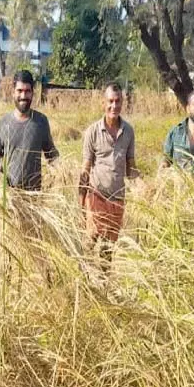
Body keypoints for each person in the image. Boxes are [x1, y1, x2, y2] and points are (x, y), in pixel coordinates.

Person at [0, 70, 59, 279]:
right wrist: (0, 179)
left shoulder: (41, 123)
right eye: (20, 90)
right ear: (13, 91)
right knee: (10, 249)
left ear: (33, 93)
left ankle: (42, 284)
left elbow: (52, 155)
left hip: (35, 201)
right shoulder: (3, 124)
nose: (23, 96)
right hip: (10, 202)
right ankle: (10, 284)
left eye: (28, 91)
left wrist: (63, 171)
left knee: (37, 247)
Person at [78, 82, 139, 265]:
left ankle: (104, 286)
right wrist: (81, 204)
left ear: (123, 102)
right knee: (90, 241)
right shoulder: (93, 132)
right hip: (96, 196)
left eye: (118, 101)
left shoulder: (128, 132)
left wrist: (143, 185)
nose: (114, 106)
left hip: (117, 198)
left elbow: (131, 167)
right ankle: (85, 281)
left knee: (108, 250)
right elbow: (85, 168)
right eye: (110, 101)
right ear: (103, 103)